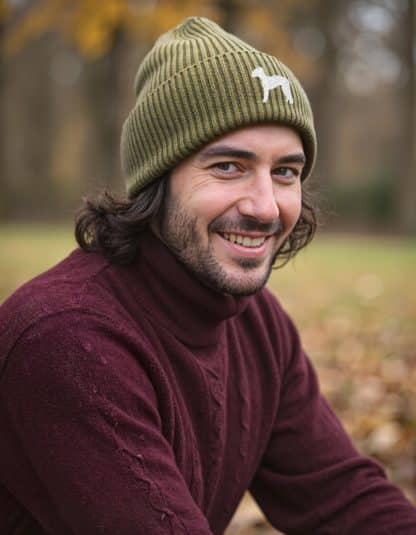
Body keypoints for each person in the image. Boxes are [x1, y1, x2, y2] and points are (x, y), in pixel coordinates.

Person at [0, 16, 415, 535]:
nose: (266, 206)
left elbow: (342, 499)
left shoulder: (255, 322)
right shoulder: (66, 339)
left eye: (285, 172)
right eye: (227, 167)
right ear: (156, 182)